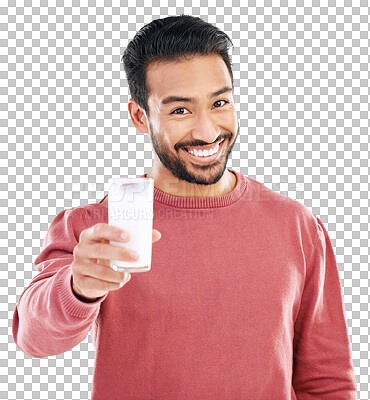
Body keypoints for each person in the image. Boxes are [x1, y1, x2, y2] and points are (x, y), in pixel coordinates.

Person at [12, 15, 357, 400]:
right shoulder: (95, 228)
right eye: (180, 110)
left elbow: (326, 381)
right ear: (140, 117)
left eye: (220, 103)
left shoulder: (297, 225)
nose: (207, 132)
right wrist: (77, 288)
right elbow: (32, 338)